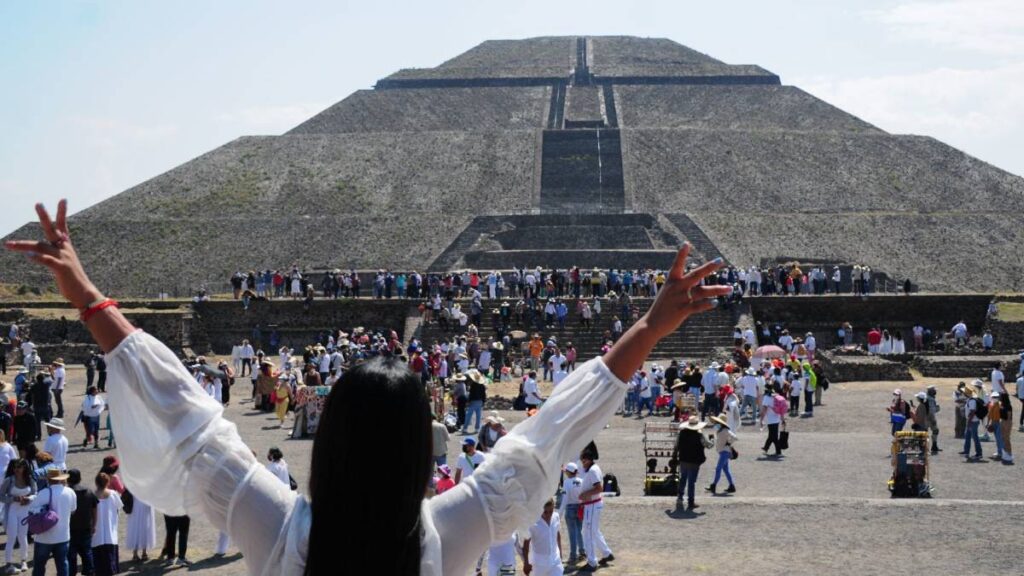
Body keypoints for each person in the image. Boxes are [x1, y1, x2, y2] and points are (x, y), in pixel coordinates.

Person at [6, 208, 728, 575]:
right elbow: (554, 430)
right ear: (423, 452)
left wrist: (82, 286)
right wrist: (651, 325)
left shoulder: (275, 526)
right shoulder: (450, 531)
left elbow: (180, 411)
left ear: (333, 439)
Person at [28, 468, 78, 576]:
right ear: (60, 479)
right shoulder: (70, 492)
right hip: (63, 536)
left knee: (39, 566)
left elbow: (31, 511)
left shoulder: (43, 493)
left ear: (48, 480)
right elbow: (73, 510)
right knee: (62, 564)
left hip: (44, 537)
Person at [577, 448, 613, 572]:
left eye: (584, 460)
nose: (583, 462)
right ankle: (606, 553)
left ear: (590, 459)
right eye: (582, 460)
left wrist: (585, 495)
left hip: (591, 505)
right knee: (593, 531)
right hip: (592, 504)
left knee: (588, 533)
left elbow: (599, 488)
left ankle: (592, 562)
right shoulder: (593, 468)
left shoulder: (592, 471)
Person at [1, 459, 36, 574]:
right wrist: (13, 499)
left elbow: (36, 494)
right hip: (12, 511)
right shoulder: (9, 480)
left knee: (23, 536)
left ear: (24, 468)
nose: (16, 469)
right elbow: (1, 496)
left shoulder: (30, 480)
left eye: (19, 467)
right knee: (11, 537)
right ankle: (8, 564)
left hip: (25, 512)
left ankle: (23, 560)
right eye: (15, 467)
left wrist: (28, 499)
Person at [673, 416, 712, 510]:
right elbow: (708, 445)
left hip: (683, 459)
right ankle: (691, 502)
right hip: (694, 461)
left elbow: (676, 445)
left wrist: (675, 456)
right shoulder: (699, 435)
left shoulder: (682, 433)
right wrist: (712, 439)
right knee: (691, 482)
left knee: (683, 478)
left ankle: (680, 497)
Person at [67, 469, 97, 576]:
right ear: (80, 478)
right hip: (86, 527)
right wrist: (94, 525)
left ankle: (71, 573)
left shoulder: (67, 492)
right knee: (87, 552)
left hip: (70, 529)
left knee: (71, 555)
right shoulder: (89, 491)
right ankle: (90, 572)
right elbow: (94, 509)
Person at [91, 472, 122, 576]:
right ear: (108, 482)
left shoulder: (92, 496)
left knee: (99, 568)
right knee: (110, 567)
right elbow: (119, 508)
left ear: (96, 482)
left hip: (96, 537)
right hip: (110, 535)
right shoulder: (113, 494)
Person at [523, 499, 562, 576]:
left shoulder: (556, 516)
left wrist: (560, 554)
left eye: (551, 511)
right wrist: (526, 563)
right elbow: (526, 543)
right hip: (538, 563)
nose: (548, 515)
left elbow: (557, 535)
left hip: (555, 560)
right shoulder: (533, 522)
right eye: (545, 512)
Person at [558, 463, 585, 567]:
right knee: (579, 531)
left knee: (572, 533)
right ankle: (582, 552)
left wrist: (559, 514)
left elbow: (565, 499)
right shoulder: (582, 481)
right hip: (580, 507)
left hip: (570, 508)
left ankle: (573, 556)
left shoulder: (566, 482)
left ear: (568, 472)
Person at [706, 414, 737, 494]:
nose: (716, 423)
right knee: (726, 470)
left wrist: (728, 443)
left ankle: (714, 485)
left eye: (717, 422)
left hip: (724, 452)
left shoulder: (725, 430)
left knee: (718, 469)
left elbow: (734, 437)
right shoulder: (721, 430)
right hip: (723, 452)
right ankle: (731, 486)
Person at [124, 490, 157, 562]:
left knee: (137, 526)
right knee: (145, 526)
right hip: (142, 502)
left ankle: (137, 553)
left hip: (137, 502)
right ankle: (143, 553)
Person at [760, 385, 787, 457]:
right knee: (772, 435)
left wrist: (761, 420)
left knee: (773, 436)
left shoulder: (766, 397)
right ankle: (766, 448)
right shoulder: (776, 396)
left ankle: (778, 452)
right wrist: (782, 419)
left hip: (770, 419)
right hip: (777, 419)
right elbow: (781, 409)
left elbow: (764, 409)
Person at [961, 382, 984, 461]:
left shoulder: (972, 401)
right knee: (967, 436)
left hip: (973, 421)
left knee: (975, 437)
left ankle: (979, 453)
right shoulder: (970, 400)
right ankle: (966, 452)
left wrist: (969, 421)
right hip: (972, 421)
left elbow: (972, 411)